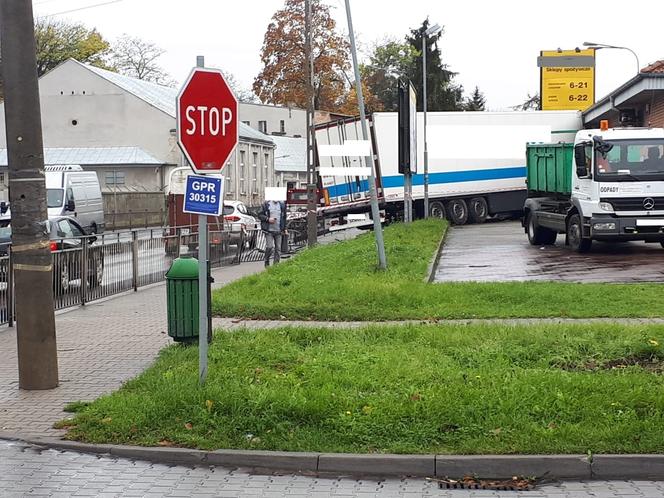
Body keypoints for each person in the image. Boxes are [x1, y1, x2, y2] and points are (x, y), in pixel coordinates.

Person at [258, 197, 287, 267]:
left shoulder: (282, 205)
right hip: (269, 231)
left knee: (278, 249)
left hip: (278, 231)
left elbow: (284, 217)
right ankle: (266, 259)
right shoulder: (266, 204)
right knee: (269, 247)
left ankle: (276, 265)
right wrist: (268, 219)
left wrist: (285, 228)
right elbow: (259, 215)